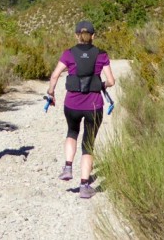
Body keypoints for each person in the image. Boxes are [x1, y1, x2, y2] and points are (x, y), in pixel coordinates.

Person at [45, 20, 115, 199]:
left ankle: (68, 166)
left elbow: (55, 75)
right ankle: (84, 186)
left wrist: (51, 93)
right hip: (94, 106)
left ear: (76, 35)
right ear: (93, 36)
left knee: (72, 132)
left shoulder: (68, 54)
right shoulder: (101, 55)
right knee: (88, 144)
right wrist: (101, 85)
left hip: (72, 104)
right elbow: (111, 81)